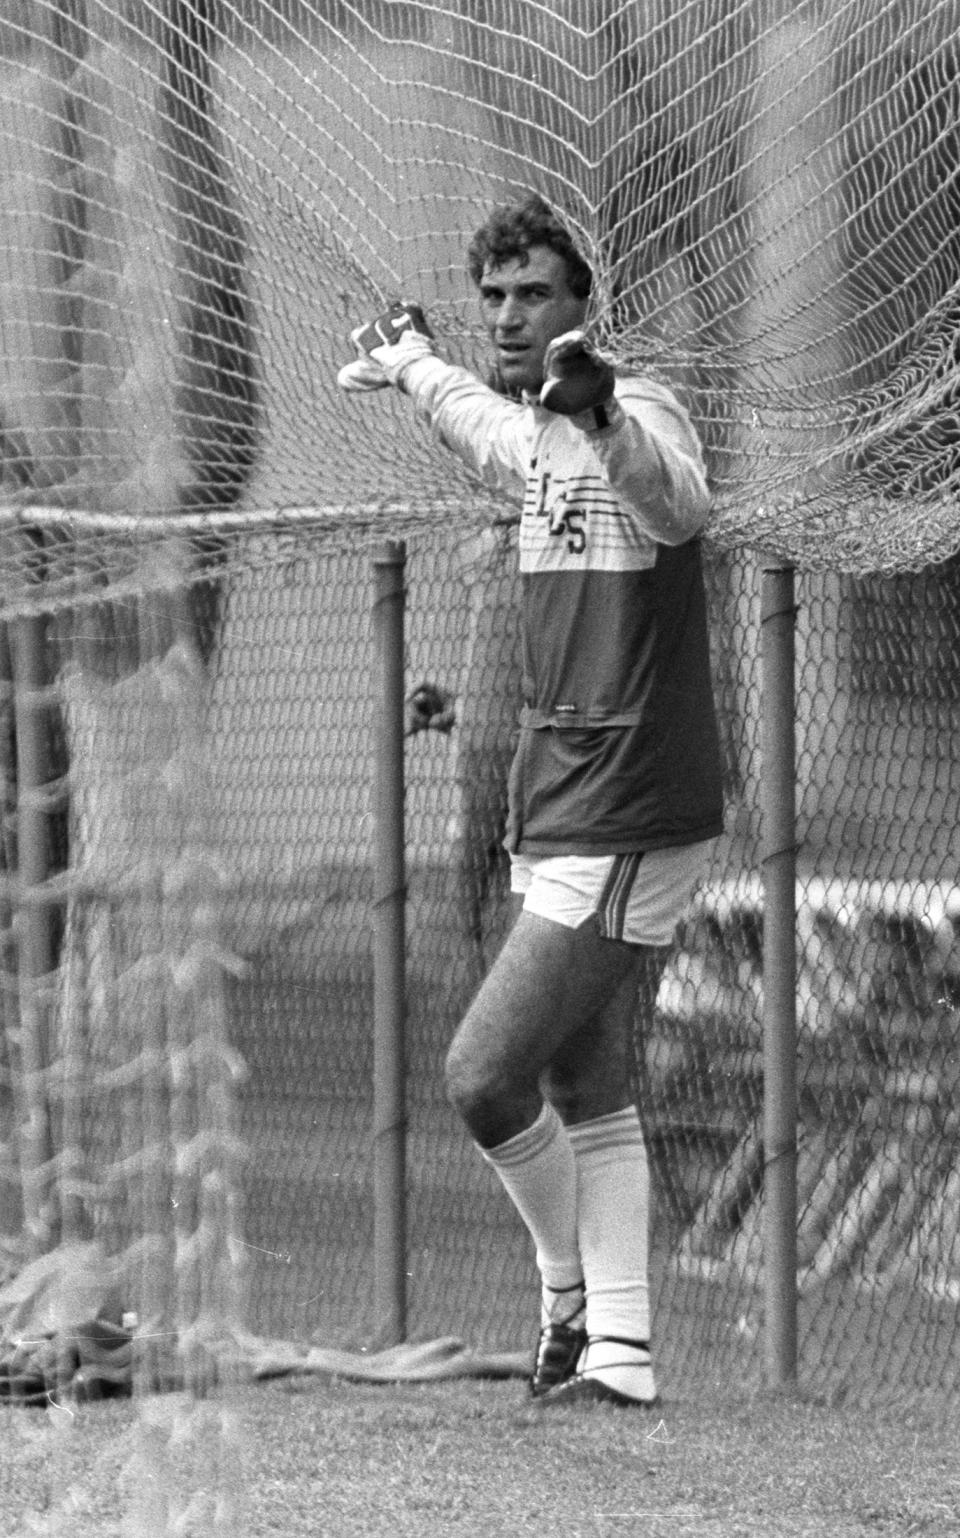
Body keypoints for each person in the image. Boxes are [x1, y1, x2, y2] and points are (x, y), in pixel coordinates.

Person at [339, 192, 724, 1407]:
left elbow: (680, 507)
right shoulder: (529, 433)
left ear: (583, 305)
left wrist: (602, 410)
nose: (509, 316)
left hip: (629, 801)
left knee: (482, 1070)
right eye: (494, 296)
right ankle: (619, 1351)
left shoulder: (633, 408)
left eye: (535, 295)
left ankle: (568, 1292)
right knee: (583, 1083)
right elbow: (479, 421)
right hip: (566, 799)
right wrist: (412, 364)